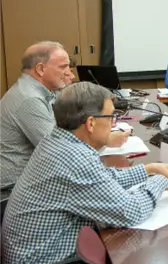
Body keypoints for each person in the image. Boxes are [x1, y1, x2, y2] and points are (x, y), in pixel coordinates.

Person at [1, 81, 168, 264]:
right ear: (90, 123)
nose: (113, 124)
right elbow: (130, 211)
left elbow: (102, 178)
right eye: (111, 117)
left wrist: (148, 170)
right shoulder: (74, 158)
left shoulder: (59, 141)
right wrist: (159, 182)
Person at [0, 43, 129, 198]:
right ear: (41, 69)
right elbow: (62, 152)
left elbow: (67, 129)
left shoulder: (40, 91)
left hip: (33, 181)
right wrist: (105, 140)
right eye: (64, 67)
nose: (70, 74)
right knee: (111, 195)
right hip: (14, 192)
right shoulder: (29, 99)